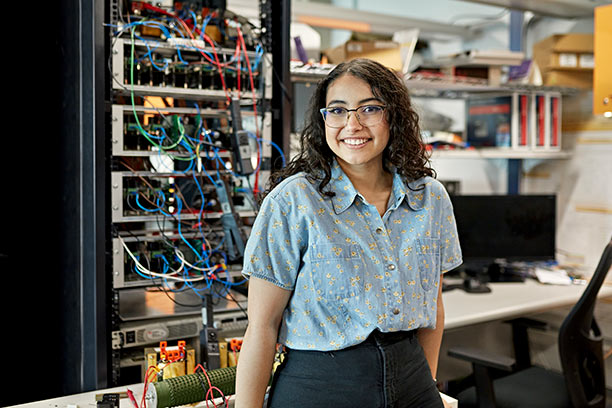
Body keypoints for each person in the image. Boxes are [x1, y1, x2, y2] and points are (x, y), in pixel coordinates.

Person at [235, 58, 462, 408]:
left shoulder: (430, 199)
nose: (352, 124)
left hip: (412, 380)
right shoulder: (294, 201)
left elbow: (434, 308)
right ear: (323, 120)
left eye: (369, 109)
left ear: (394, 117)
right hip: (321, 386)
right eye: (338, 111)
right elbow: (262, 327)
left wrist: (425, 384)